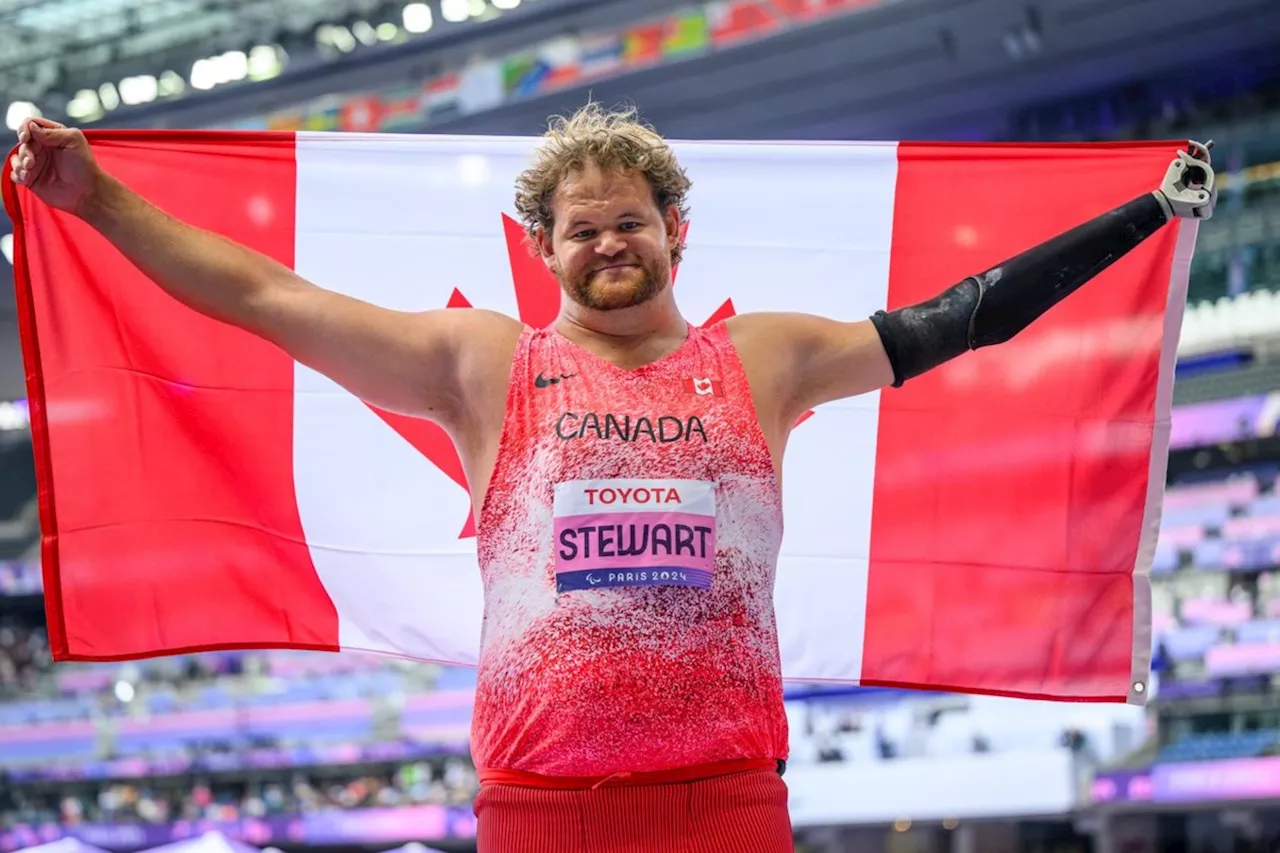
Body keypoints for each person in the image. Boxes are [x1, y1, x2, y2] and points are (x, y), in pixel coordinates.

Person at [8, 104, 1216, 853]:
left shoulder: (765, 357)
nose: (606, 243)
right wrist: (96, 197)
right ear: (543, 248)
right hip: (538, 812)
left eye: (628, 219)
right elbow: (267, 299)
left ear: (674, 227)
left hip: (725, 805)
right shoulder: (482, 365)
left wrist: (1138, 220)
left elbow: (958, 319)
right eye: (580, 228)